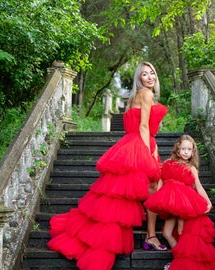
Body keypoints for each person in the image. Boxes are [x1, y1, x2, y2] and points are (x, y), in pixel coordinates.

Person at [47, 61, 168, 270]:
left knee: (128, 194)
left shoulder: (134, 98)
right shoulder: (146, 95)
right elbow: (143, 125)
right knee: (148, 190)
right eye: (145, 74)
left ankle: (151, 235)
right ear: (139, 78)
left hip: (131, 144)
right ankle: (150, 236)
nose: (150, 77)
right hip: (140, 145)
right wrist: (150, 152)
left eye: (152, 73)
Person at [144, 134, 215, 269]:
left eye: (189, 149)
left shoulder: (191, 168)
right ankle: (179, 259)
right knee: (166, 233)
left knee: (181, 232)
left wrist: (208, 201)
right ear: (178, 148)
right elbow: (161, 184)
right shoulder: (167, 164)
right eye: (184, 148)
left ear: (193, 152)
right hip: (170, 203)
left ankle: (181, 262)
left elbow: (198, 186)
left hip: (184, 204)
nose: (186, 152)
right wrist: (157, 200)